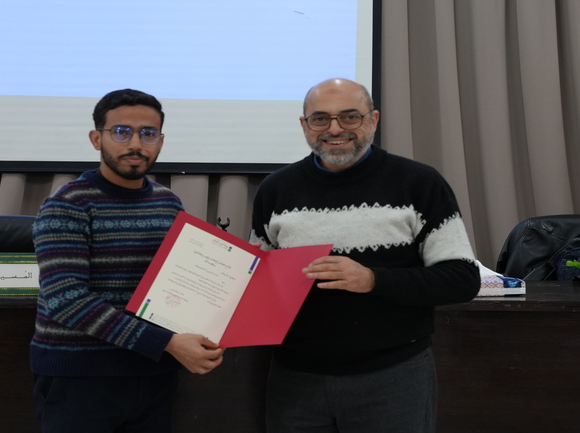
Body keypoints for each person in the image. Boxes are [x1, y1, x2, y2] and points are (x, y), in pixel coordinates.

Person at [250, 78, 482, 433]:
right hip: (294, 378)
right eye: (320, 119)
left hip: (393, 376)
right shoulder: (275, 190)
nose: (334, 129)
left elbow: (461, 279)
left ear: (373, 120)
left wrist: (373, 279)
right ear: (304, 125)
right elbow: (260, 288)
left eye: (349, 117)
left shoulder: (418, 183)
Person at [30, 88, 224, 432]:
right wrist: (166, 343)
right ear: (96, 139)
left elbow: (181, 285)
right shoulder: (68, 204)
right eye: (121, 132)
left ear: (160, 141)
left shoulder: (168, 203)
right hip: (81, 378)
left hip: (154, 373)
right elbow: (67, 300)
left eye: (148, 133)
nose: (135, 144)